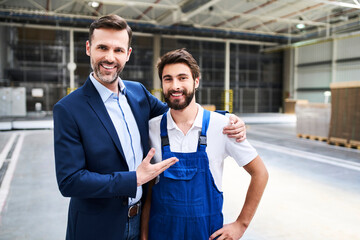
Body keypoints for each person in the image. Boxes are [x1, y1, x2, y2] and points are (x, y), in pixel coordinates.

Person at [53, 15, 247, 240]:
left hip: (141, 223)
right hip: (98, 228)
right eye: (102, 48)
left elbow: (177, 111)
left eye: (118, 50)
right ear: (89, 48)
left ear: (128, 54)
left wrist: (223, 119)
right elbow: (70, 182)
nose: (109, 57)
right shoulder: (69, 109)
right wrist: (133, 179)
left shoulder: (138, 94)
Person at [141, 49, 269, 240]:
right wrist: (144, 235)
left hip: (206, 233)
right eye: (168, 79)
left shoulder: (223, 126)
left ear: (196, 81)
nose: (175, 85)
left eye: (182, 78)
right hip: (161, 232)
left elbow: (260, 173)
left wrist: (241, 224)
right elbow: (150, 189)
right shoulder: (152, 128)